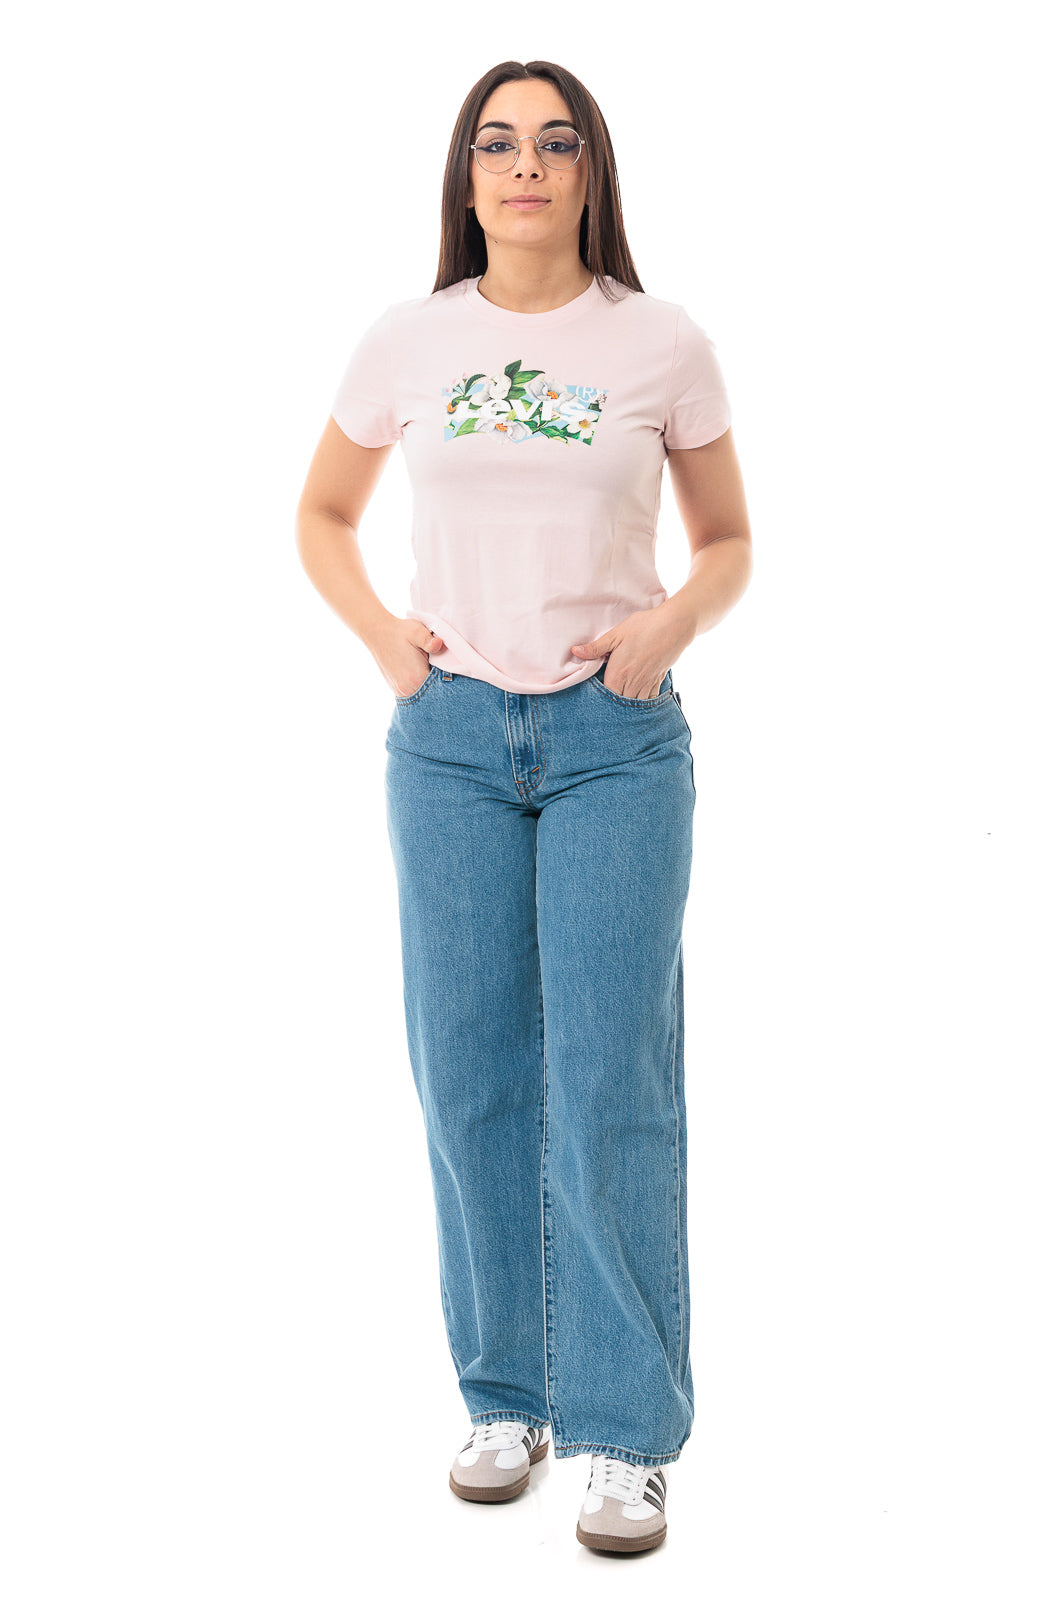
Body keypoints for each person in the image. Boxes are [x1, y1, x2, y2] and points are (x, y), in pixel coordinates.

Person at [296, 58, 752, 1555]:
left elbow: (730, 542)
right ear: (468, 176)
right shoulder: (408, 339)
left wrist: (667, 628)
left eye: (556, 142)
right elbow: (323, 513)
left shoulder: (661, 342)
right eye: (498, 143)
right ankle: (506, 1396)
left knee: (612, 1078)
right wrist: (388, 645)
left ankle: (624, 1432)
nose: (526, 165)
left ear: (590, 171)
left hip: (616, 740)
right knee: (471, 1072)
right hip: (449, 743)